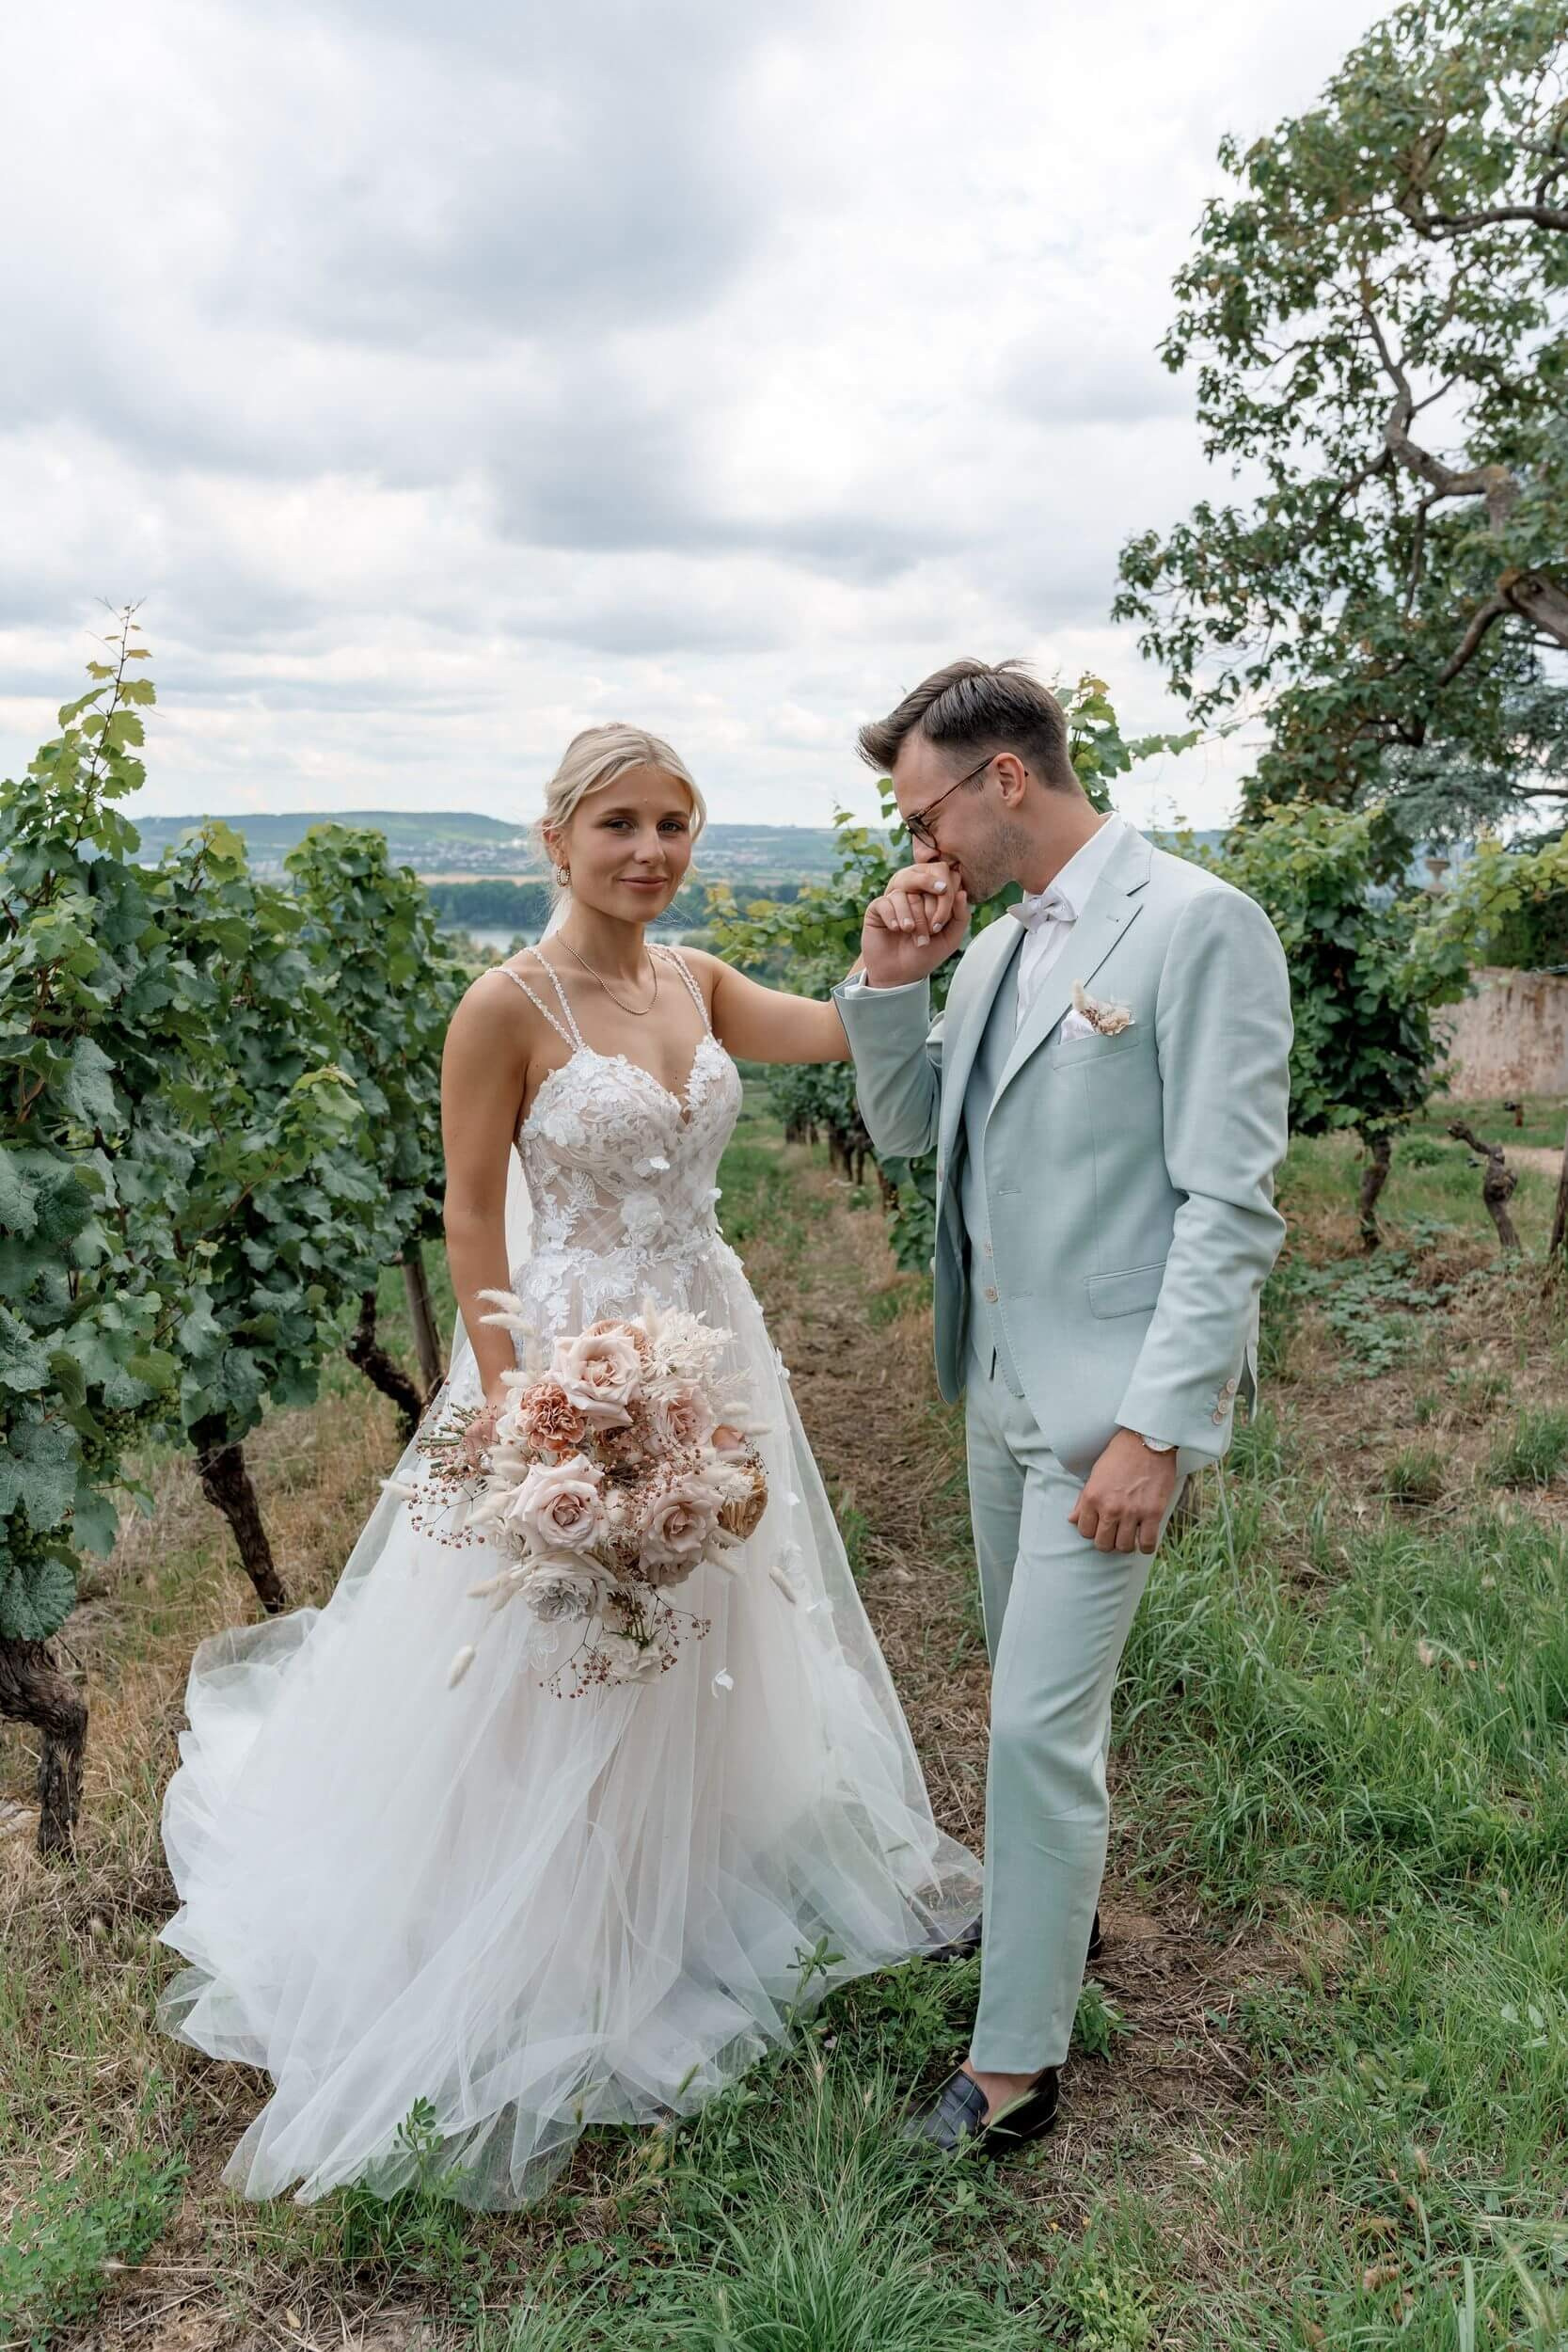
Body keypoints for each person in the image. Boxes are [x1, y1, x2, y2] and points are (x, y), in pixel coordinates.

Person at [157, 723, 980, 2210]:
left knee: (706, 1611)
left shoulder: (697, 980)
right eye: (621, 823)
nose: (651, 851)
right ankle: (547, 1927)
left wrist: (895, 954)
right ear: (557, 840)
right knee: (554, 1642)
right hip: (568, 1354)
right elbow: (474, 1214)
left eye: (674, 824)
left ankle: (682, 1888)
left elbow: (840, 1031)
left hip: (706, 1339)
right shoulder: (505, 1005)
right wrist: (519, 1404)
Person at [833, 659, 1291, 2155]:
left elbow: (1229, 1207)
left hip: (1110, 1414)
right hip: (996, 1390)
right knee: (1026, 1697)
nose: (920, 844)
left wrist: (1160, 1432)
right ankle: (1051, 1916)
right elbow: (911, 1136)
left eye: (925, 813)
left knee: (1036, 1726)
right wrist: (889, 981)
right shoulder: (985, 955)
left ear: (1006, 779)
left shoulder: (1201, 926)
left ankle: (1016, 2070)